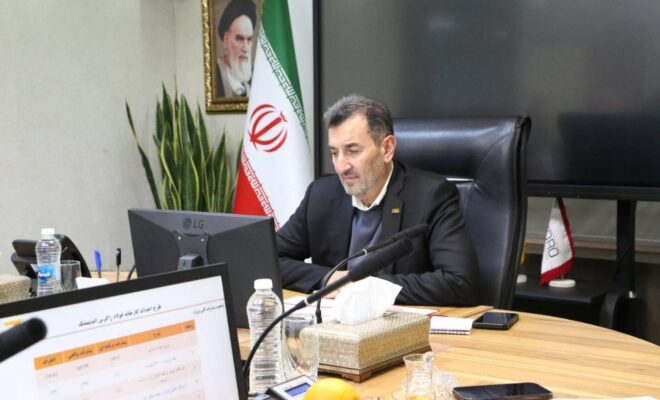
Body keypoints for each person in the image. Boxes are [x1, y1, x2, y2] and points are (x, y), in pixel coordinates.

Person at [276, 94, 480, 306]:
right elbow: (269, 260)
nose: (341, 166)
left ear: (387, 148)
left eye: (352, 151)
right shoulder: (321, 195)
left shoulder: (431, 196)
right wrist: (330, 278)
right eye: (335, 153)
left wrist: (365, 286)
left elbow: (460, 283)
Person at [215, 0, 256, 98]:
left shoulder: (257, 76)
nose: (245, 48)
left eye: (249, 39)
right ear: (226, 40)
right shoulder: (215, 76)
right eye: (239, 39)